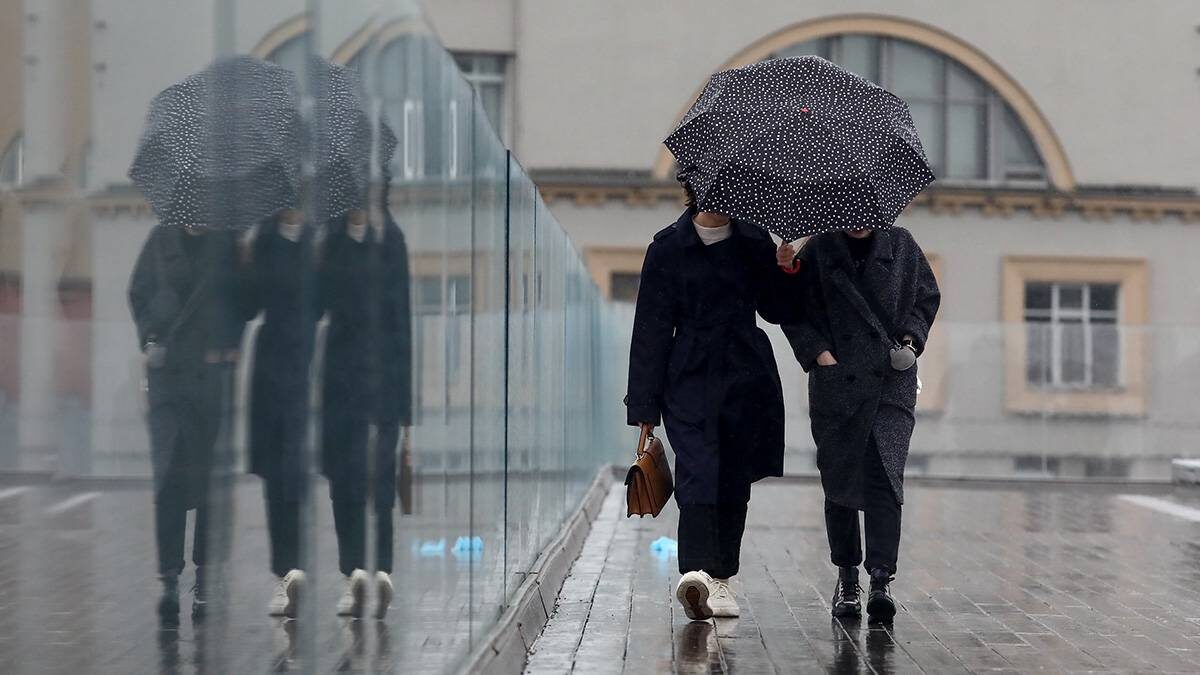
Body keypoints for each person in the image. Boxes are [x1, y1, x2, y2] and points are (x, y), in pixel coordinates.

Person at [625, 175, 802, 621]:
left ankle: (723, 578)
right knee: (698, 472)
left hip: (745, 374)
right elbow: (649, 331)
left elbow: (778, 310)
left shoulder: (754, 241)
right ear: (695, 186)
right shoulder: (667, 248)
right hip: (687, 375)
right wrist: (643, 407)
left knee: (732, 477)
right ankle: (697, 574)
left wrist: (785, 268)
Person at [782, 225, 940, 623]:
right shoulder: (817, 249)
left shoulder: (902, 245)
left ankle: (882, 578)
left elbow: (926, 297)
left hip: (890, 380)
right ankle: (847, 576)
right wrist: (818, 353)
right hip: (838, 383)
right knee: (840, 477)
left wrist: (910, 341)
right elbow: (790, 310)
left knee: (885, 474)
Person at [128, 220, 246, 626]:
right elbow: (137, 293)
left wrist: (229, 347)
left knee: (208, 483)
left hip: (208, 379)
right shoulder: (160, 241)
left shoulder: (226, 242)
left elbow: (241, 304)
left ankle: (206, 578)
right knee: (168, 478)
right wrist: (149, 340)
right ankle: (168, 577)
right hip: (167, 381)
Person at [319, 195, 412, 620]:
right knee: (345, 483)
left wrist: (407, 409)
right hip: (342, 383)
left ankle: (382, 571)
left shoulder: (391, 242)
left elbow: (403, 324)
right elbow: (317, 304)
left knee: (381, 480)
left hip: (384, 384)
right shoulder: (332, 243)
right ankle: (352, 572)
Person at [244, 207, 319, 618]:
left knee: (296, 476)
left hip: (306, 368)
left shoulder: (315, 243)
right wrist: (244, 266)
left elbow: (325, 303)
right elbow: (249, 303)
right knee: (277, 477)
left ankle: (299, 567)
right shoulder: (263, 240)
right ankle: (285, 574)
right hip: (270, 369)